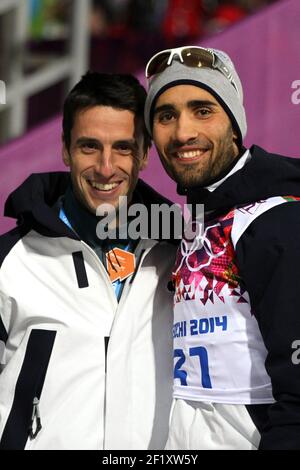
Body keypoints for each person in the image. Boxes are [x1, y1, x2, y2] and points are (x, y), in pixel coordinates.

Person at [0, 72, 177, 450]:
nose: (106, 167)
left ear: (145, 153)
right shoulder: (10, 262)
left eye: (124, 148)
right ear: (65, 149)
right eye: (89, 146)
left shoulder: (181, 257)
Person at [144, 45, 300, 450]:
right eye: (166, 116)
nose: (182, 133)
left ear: (234, 125)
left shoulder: (277, 219)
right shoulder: (198, 220)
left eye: (202, 110)